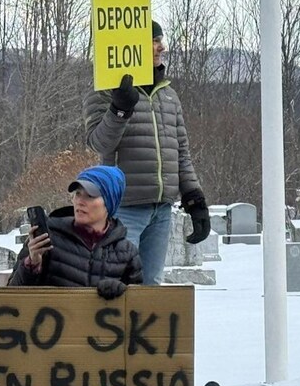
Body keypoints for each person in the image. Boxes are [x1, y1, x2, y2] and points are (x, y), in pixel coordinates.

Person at [7, 165, 142, 386]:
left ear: (108, 202)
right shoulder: (48, 237)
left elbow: (141, 316)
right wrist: (32, 265)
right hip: (51, 371)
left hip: (97, 378)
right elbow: (12, 300)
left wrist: (121, 295)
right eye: (77, 193)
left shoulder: (126, 252)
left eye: (89, 195)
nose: (80, 200)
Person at [85, 19, 209, 285]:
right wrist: (120, 109)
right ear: (135, 46)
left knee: (151, 285)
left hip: (162, 209)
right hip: (124, 208)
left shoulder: (169, 96)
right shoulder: (105, 90)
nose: (161, 47)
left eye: (160, 40)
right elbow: (99, 144)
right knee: (117, 283)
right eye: (154, 41)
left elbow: (181, 152)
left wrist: (194, 197)